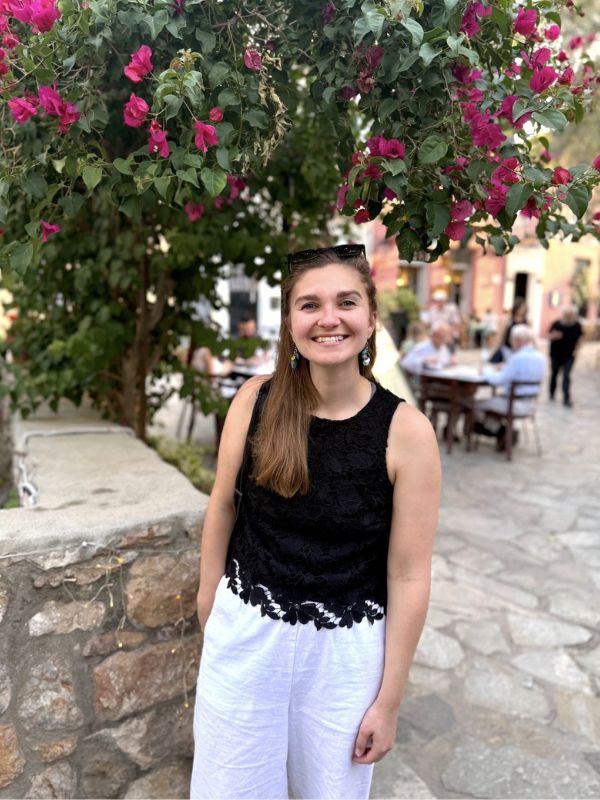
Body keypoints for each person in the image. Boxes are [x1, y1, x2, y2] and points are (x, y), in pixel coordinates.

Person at [191, 244, 440, 800]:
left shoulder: (408, 433)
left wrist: (389, 699)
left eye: (346, 302)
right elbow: (224, 503)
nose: (328, 318)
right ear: (290, 321)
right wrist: (210, 596)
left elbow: (409, 574)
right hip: (247, 633)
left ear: (371, 317)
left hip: (346, 658)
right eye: (310, 304)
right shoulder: (256, 400)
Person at [474, 324, 545, 450]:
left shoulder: (517, 358)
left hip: (513, 404)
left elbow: (499, 380)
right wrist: (506, 367)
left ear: (517, 340)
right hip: (530, 404)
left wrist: (484, 372)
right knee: (492, 402)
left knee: (474, 404)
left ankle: (500, 431)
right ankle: (502, 432)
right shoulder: (540, 357)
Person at [548, 304, 583, 407]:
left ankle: (566, 397)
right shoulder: (556, 324)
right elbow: (549, 336)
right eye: (567, 314)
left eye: (570, 314)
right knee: (554, 374)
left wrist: (576, 351)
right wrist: (554, 336)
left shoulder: (577, 325)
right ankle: (551, 392)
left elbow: (580, 339)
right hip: (556, 354)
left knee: (566, 376)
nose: (569, 316)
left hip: (569, 355)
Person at [489, 298, 527, 364]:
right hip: (508, 349)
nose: (522, 310)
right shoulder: (508, 320)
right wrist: (494, 350)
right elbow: (499, 336)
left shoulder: (527, 321)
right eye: (521, 308)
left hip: (521, 351)